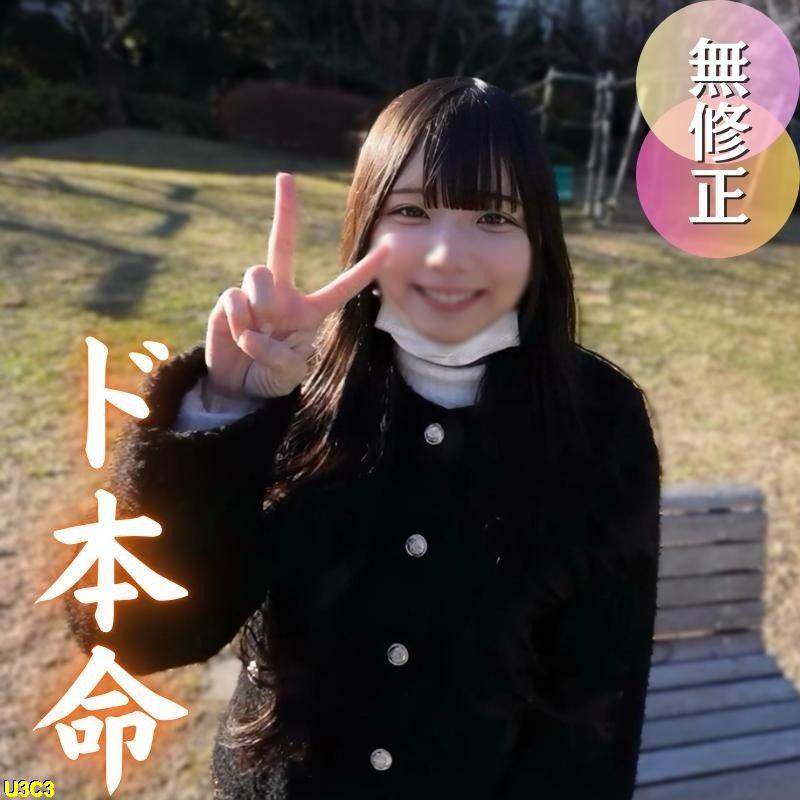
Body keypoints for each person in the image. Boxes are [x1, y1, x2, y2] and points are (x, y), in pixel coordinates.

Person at [64, 76, 661, 800]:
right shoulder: (290, 388)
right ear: (364, 226)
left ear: (539, 239)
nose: (447, 255)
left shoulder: (600, 418)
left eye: (493, 217)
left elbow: (594, 712)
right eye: (410, 211)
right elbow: (131, 634)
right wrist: (223, 409)